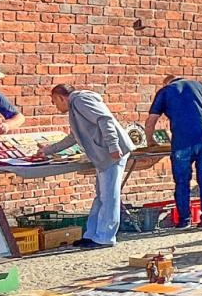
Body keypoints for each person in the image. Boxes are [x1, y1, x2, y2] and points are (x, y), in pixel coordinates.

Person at [41, 84, 134, 249]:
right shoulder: (76, 107)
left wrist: (113, 145)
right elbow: (74, 137)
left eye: (55, 101)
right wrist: (48, 150)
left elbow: (104, 119)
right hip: (105, 154)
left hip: (112, 153)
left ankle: (105, 237)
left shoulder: (80, 100)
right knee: (102, 196)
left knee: (109, 196)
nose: (55, 106)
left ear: (61, 97)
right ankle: (92, 235)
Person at [146, 72, 202, 229]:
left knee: (182, 181)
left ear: (167, 83)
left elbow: (151, 121)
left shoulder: (165, 91)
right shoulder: (199, 85)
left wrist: (150, 141)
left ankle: (184, 220)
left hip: (182, 141)